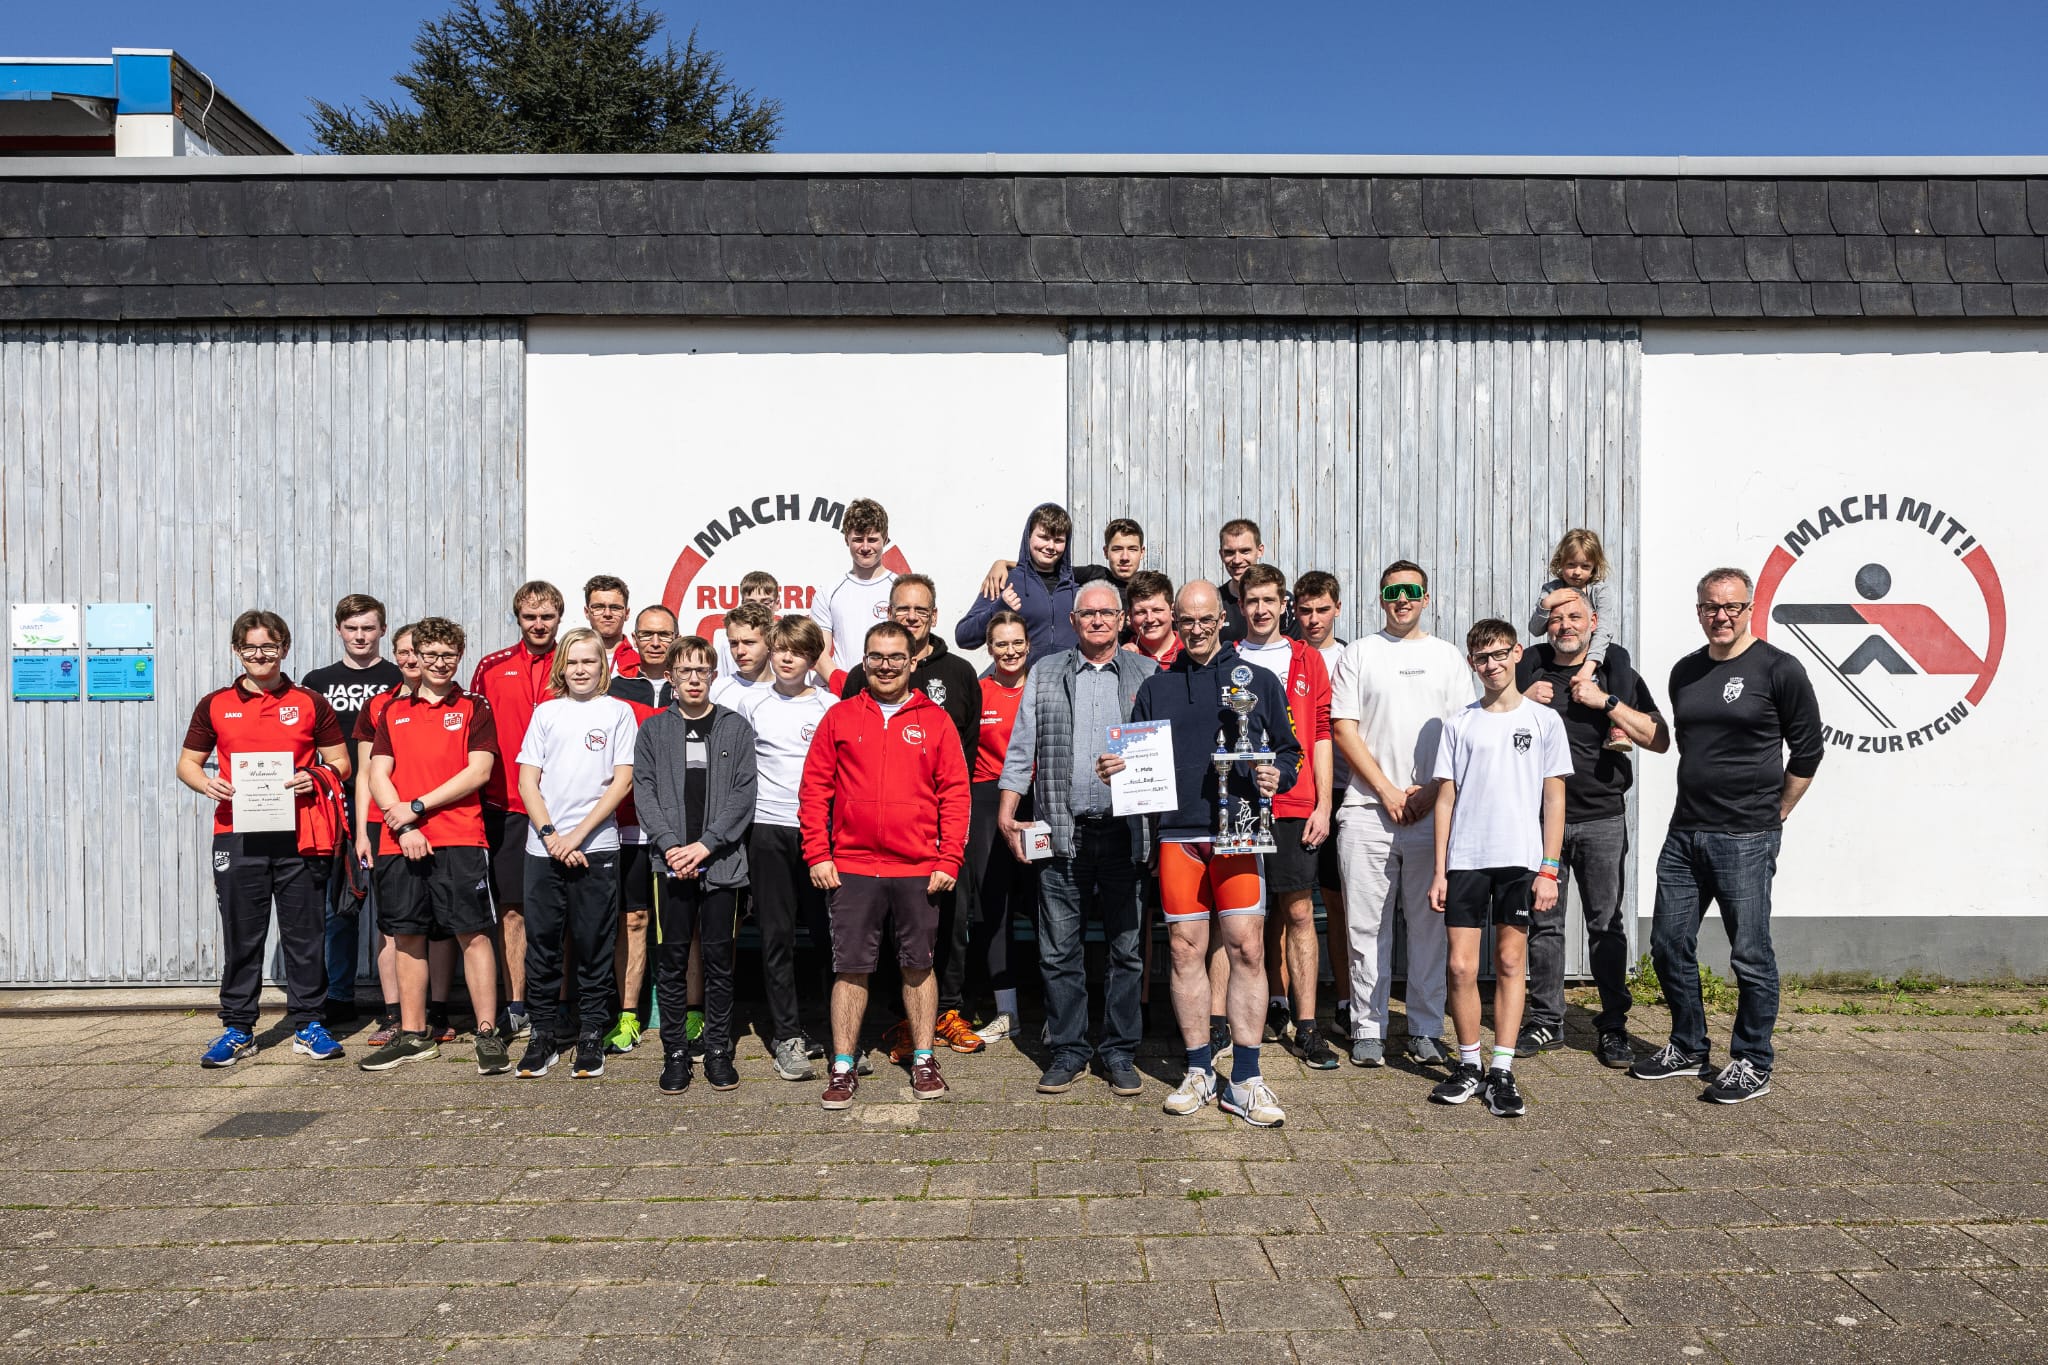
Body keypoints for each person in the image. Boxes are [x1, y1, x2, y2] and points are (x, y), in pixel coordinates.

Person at [1633, 567, 1824, 1104]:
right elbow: (1686, 744)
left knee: (1750, 954)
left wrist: (1777, 812)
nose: (1721, 616)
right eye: (1710, 607)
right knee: (1668, 945)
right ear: (1699, 610)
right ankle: (1688, 1045)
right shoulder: (1686, 671)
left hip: (1746, 836)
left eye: (1731, 607)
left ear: (1749, 609)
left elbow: (1808, 750)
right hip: (1685, 833)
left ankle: (1752, 1060)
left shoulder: (1779, 669)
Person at [1129, 581, 1301, 1128]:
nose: (1197, 629)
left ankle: (1245, 1078)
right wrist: (1117, 770)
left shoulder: (1258, 679)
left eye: (1206, 620)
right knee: (1184, 951)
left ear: (1223, 619)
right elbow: (1136, 760)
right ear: (1174, 623)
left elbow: (1291, 749)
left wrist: (1279, 773)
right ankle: (1200, 1069)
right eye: (1187, 621)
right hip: (1178, 836)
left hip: (1239, 833)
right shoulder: (1156, 687)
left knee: (1247, 948)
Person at [802, 621, 971, 1110]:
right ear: (864, 660)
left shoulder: (936, 721)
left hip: (917, 866)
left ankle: (924, 1058)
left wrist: (949, 857)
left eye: (896, 656)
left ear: (913, 661)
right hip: (852, 866)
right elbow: (814, 790)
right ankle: (842, 1066)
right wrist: (818, 853)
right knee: (850, 969)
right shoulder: (839, 717)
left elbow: (955, 794)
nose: (886, 665)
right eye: (876, 656)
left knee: (918, 966)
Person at [997, 583, 1157, 1094]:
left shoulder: (1148, 673)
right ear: (1073, 621)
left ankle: (1119, 1051)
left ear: (1121, 619)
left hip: (1126, 834)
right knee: (1058, 951)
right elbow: (1021, 748)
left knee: (1126, 951)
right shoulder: (1046, 672)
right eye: (1088, 613)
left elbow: (1162, 757)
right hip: (1062, 833)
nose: (1097, 621)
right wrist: (1006, 813)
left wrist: (1135, 768)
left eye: (1107, 612)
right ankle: (1068, 1049)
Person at [177, 610, 352, 1067]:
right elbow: (187, 764)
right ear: (237, 650)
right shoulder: (215, 704)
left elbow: (342, 762)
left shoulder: (310, 702)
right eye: (250, 647)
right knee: (242, 935)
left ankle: (309, 1024)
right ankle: (238, 1028)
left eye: (269, 646)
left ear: (284, 649)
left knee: (306, 934)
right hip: (236, 834)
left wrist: (316, 776)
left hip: (300, 833)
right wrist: (207, 784)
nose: (260, 655)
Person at [1329, 561, 1475, 1069]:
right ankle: (1368, 1029)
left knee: (1429, 928)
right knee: (1365, 928)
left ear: (1426, 598)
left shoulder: (1448, 658)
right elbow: (1343, 729)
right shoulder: (1359, 653)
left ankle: (1426, 1028)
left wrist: (1431, 792)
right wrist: (1388, 790)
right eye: (1393, 592)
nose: (1403, 599)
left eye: (1412, 591)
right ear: (1381, 598)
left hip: (1432, 813)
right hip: (1367, 810)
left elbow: (1462, 734)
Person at [1424, 619, 1572, 1118]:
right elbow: (1445, 800)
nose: (1491, 665)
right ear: (1472, 664)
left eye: (1499, 655)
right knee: (1460, 967)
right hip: (1466, 859)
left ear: (1517, 654)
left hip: (1520, 861)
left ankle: (1502, 1070)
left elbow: (1554, 799)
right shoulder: (1459, 724)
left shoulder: (1544, 721)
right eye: (1482, 658)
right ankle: (1469, 1064)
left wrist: (1549, 869)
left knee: (1510, 962)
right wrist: (1440, 870)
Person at [1516, 587, 1669, 1067]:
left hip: (1602, 816)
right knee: (1544, 925)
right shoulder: (1530, 669)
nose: (1565, 625)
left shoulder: (1614, 672)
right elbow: (1486, 717)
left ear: (1593, 622)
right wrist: (1522, 698)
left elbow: (1659, 738)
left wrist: (1607, 702)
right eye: (1556, 618)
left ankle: (1613, 1026)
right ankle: (1546, 1020)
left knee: (1605, 924)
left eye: (1575, 616)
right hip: (1540, 821)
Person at [355, 616, 510, 1075]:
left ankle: (487, 1033)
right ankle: (413, 1034)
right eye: (431, 655)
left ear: (458, 656)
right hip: (400, 842)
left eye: (449, 655)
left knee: (473, 934)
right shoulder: (391, 711)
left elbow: (478, 771)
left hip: (459, 837)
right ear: (415, 658)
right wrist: (403, 825)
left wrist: (418, 807)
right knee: (407, 936)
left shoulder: (474, 707)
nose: (440, 663)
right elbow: (377, 774)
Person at [839, 573, 983, 1058]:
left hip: (939, 832)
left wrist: (949, 836)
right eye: (903, 608)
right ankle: (899, 1021)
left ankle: (949, 1011)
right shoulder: (861, 678)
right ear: (889, 612)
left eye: (921, 609)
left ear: (934, 616)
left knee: (950, 922)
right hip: (876, 845)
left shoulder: (959, 673)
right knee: (881, 935)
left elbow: (963, 759)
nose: (912, 616)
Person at [635, 635, 760, 1096]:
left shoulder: (734, 728)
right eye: (684, 671)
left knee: (718, 961)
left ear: (713, 675)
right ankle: (674, 1052)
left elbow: (743, 794)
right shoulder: (653, 730)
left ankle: (718, 1049)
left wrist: (705, 846)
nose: (693, 679)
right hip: (669, 864)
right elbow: (644, 792)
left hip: (721, 863)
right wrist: (672, 846)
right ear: (670, 676)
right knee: (671, 961)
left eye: (701, 670)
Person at [514, 628, 638, 1080]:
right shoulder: (546, 712)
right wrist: (551, 837)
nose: (581, 669)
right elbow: (527, 781)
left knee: (593, 946)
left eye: (590, 661)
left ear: (603, 666)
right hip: (543, 850)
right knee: (543, 947)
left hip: (596, 849)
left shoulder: (618, 712)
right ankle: (543, 1034)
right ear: (561, 667)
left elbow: (622, 781)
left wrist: (578, 836)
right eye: (573, 662)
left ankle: (590, 1034)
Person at [1236, 565, 1338, 1069]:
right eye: (1252, 600)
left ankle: (1308, 1026)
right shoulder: (1228, 658)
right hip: (1237, 805)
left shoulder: (1307, 659)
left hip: (1295, 804)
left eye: (1269, 600)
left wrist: (1323, 803)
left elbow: (1321, 733)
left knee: (1299, 912)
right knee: (1238, 918)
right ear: (1240, 605)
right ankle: (1234, 1025)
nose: (1261, 610)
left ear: (1283, 606)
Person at [742, 614, 838, 1081]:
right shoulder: (751, 703)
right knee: (776, 936)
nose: (786, 659)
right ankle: (787, 1035)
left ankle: (838, 1034)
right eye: (781, 649)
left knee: (830, 937)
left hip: (820, 833)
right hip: (768, 831)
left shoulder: (830, 706)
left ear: (812, 659)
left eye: (798, 652)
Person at [354, 626, 459, 1049]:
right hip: (386, 825)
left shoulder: (457, 701)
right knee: (394, 927)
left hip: (439, 822)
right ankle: (395, 1015)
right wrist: (362, 831)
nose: (413, 660)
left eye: (417, 652)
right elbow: (366, 773)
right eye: (404, 652)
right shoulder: (380, 705)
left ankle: (438, 1011)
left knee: (441, 926)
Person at [302, 593, 404, 1026]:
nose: (360, 636)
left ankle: (402, 1004)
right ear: (338, 630)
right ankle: (339, 996)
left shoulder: (399, 676)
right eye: (351, 628)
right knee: (337, 908)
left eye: (368, 628)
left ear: (383, 630)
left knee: (395, 910)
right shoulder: (317, 681)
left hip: (389, 806)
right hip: (332, 806)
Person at [471, 581, 563, 1039]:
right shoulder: (491, 667)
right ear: (518, 618)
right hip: (505, 803)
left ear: (559, 618)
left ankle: (561, 1004)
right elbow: (471, 733)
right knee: (512, 911)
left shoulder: (574, 661)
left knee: (564, 910)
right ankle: (517, 1005)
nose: (539, 624)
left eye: (547, 616)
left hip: (563, 804)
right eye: (530, 617)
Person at [600, 605, 680, 1056]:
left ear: (676, 638)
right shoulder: (614, 689)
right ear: (634, 637)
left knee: (680, 923)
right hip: (628, 824)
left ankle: (687, 1010)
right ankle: (628, 1015)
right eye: (647, 634)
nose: (655, 642)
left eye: (664, 634)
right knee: (632, 920)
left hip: (678, 828)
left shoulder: (689, 685)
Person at [965, 611, 1035, 1043]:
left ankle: (1056, 1010)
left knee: (1045, 903)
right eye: (1001, 644)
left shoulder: (1043, 686)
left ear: (1029, 644)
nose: (1010, 651)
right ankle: (1007, 1011)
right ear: (990, 648)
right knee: (995, 905)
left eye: (1017, 642)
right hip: (987, 799)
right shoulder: (979, 691)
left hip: (1037, 798)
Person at [1292, 570, 1354, 1040]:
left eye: (1322, 610)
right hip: (1297, 794)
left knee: (1337, 902)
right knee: (1289, 904)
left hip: (1345, 792)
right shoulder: (1290, 656)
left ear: (1337, 609)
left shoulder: (1353, 658)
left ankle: (1347, 1001)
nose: (1313, 619)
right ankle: (1282, 1001)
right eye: (1305, 610)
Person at [1526, 530, 1630, 752]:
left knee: (1619, 655)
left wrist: (1588, 667)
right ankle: (1518, 705)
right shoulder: (1551, 589)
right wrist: (1547, 604)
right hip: (1560, 646)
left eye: (1585, 566)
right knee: (1530, 655)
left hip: (1594, 647)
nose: (1577, 572)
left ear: (1595, 567)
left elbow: (1603, 631)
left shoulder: (1599, 591)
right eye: (1571, 565)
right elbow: (1535, 629)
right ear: (1560, 562)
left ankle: (1618, 727)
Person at [957, 501, 1080, 659]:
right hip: (1023, 675)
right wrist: (997, 609)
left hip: (1068, 675)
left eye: (1058, 540)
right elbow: (963, 637)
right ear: (1028, 536)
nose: (1051, 546)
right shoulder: (1005, 581)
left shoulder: (1077, 589)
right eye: (1043, 537)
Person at [978, 516, 1148, 625]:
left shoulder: (1150, 586)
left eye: (1132, 549)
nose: (1125, 557)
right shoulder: (1094, 575)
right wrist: (1003, 564)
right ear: (1105, 552)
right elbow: (1048, 569)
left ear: (1142, 552)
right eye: (1117, 549)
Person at [811, 497, 897, 680]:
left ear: (885, 539)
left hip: (891, 690)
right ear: (846, 540)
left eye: (872, 540)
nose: (865, 547)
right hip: (844, 692)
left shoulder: (900, 589)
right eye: (858, 540)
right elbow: (820, 655)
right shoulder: (828, 593)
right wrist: (846, 688)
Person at [1217, 519, 1299, 643]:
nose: (1237, 560)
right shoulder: (1215, 602)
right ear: (1221, 554)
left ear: (1260, 551)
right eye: (1230, 552)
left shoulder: (1285, 602)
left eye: (1245, 551)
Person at [710, 601, 776, 710]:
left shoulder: (789, 691)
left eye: (749, 642)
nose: (740, 651)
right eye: (734, 643)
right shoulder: (716, 690)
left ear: (769, 642)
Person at [716, 570, 783, 677]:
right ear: (742, 604)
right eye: (751, 603)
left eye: (765, 603)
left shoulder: (789, 644)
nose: (759, 608)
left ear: (777, 602)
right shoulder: (729, 646)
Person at [584, 574, 641, 679]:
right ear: (587, 612)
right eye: (599, 607)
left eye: (615, 608)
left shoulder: (640, 665)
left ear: (627, 613)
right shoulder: (569, 660)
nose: (607, 614)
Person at [1123, 570, 1183, 667]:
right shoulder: (1124, 657)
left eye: (1157, 610)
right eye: (1141, 612)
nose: (1150, 619)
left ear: (1172, 611)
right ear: (1130, 615)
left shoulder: (1190, 651)